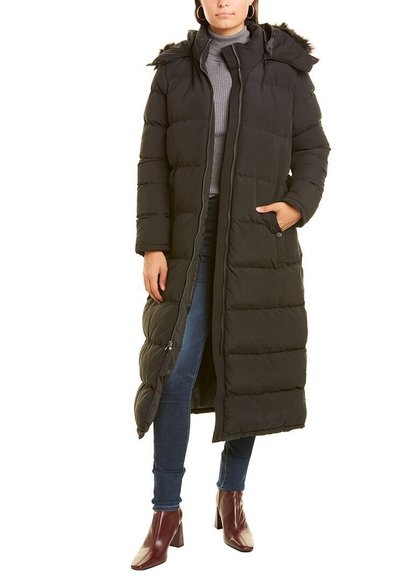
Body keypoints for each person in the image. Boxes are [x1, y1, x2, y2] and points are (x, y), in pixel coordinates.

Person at [131, 0, 330, 570]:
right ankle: (166, 512)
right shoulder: (174, 70)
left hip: (257, 235)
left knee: (249, 369)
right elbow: (151, 163)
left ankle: (232, 495)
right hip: (188, 236)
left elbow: (312, 148)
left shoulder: (284, 66)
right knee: (174, 369)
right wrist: (153, 244)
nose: (223, 1)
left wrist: (296, 206)